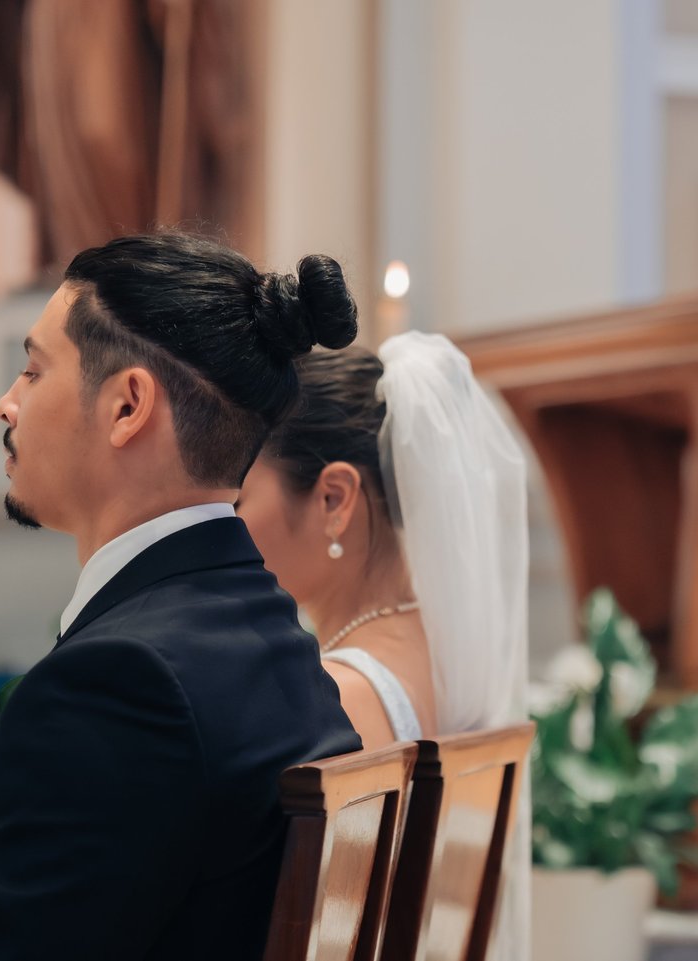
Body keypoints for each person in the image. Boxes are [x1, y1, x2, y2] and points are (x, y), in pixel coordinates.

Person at [0, 232, 363, 961]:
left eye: (33, 371)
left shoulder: (120, 688)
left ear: (128, 405)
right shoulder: (279, 641)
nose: (7, 404)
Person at [237, 331, 530, 961]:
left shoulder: (340, 699)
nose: (224, 526)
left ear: (334, 500)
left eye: (239, 497)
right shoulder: (443, 653)